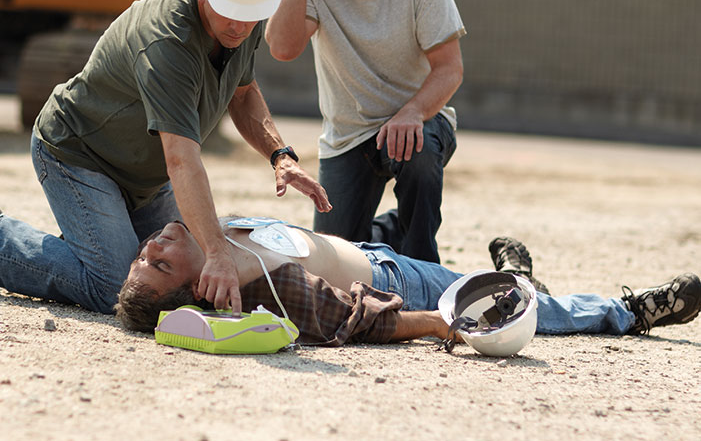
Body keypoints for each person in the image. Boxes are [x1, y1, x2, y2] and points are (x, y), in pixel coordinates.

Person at [0, 0, 331, 315]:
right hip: (79, 154)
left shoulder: (242, 5)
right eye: (229, 14)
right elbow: (181, 158)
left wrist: (279, 155)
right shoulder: (169, 39)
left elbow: (244, 92)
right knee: (116, 284)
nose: (238, 26)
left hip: (142, 174)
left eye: (249, 16)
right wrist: (217, 253)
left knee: (181, 273)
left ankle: (87, 245)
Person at [265, 0, 465, 263]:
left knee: (419, 153)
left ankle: (424, 264)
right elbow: (283, 48)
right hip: (348, 138)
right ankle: (390, 231)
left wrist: (413, 113)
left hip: (415, 123)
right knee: (338, 259)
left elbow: (450, 69)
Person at [114, 217, 701, 347]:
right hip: (400, 282)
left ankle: (515, 277)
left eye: (145, 253)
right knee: (527, 310)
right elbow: (352, 319)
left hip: (374, 250)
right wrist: (438, 322)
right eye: (159, 263)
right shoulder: (262, 290)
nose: (154, 246)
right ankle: (632, 311)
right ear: (201, 291)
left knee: (510, 291)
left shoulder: (200, 224)